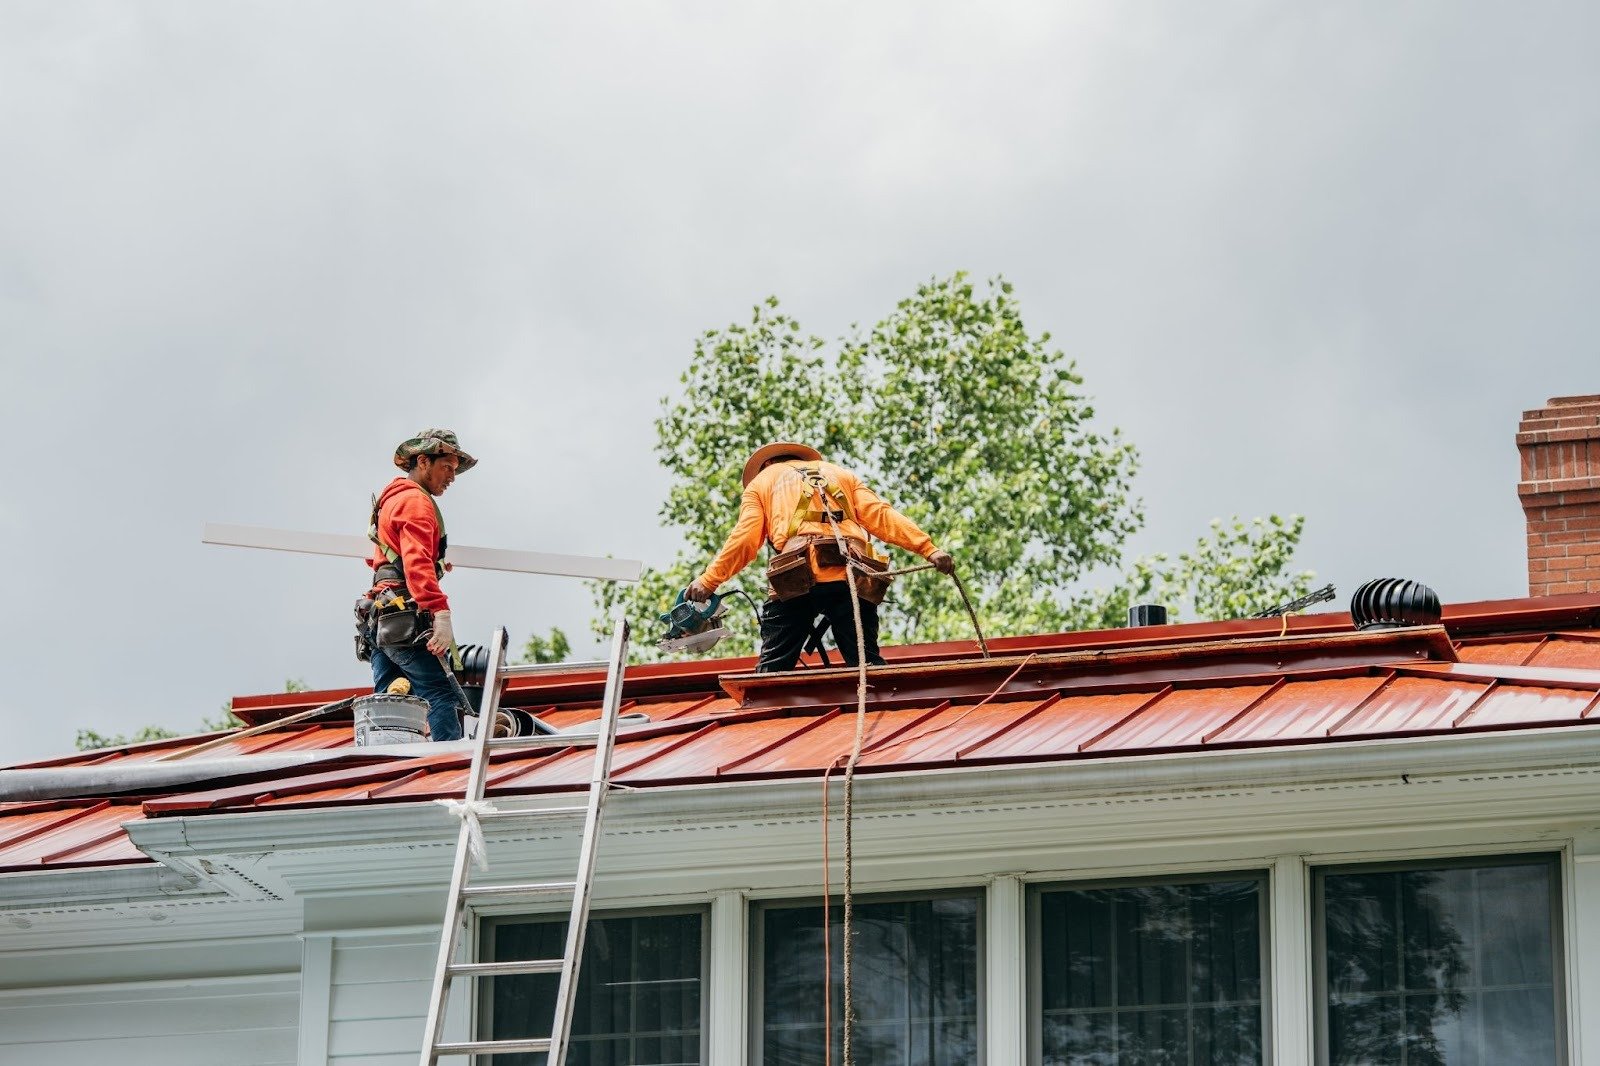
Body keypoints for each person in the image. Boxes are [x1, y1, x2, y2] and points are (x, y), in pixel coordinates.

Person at [686, 441, 954, 672]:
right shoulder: (841, 475)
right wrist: (929, 549)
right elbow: (881, 515)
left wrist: (709, 581)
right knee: (866, 665)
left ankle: (765, 701)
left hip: (796, 575)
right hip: (851, 574)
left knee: (773, 670)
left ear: (766, 464)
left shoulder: (762, 483)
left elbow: (745, 539)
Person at [359, 429, 476, 741]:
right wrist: (440, 611)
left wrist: (434, 566)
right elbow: (415, 562)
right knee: (441, 695)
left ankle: (387, 765)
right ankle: (447, 769)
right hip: (404, 618)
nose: (452, 477)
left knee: (389, 705)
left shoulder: (391, 500)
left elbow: (383, 562)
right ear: (423, 461)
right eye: (447, 467)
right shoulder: (416, 503)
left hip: (382, 617)